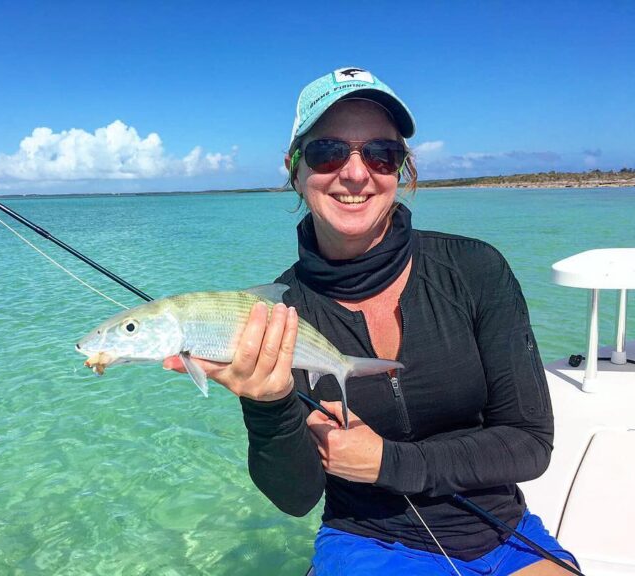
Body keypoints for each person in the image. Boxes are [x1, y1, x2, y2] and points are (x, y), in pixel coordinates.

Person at [165, 67, 578, 575]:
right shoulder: (276, 313)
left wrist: (388, 462)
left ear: (401, 171)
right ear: (294, 169)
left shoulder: (475, 270)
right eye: (328, 152)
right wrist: (267, 406)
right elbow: (296, 498)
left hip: (497, 530)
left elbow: (530, 443)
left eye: (381, 154)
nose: (356, 173)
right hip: (365, 538)